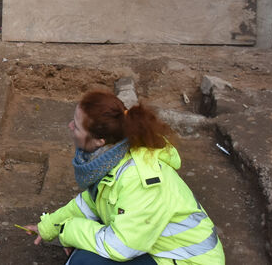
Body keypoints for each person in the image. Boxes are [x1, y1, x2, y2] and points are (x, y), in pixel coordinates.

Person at [22, 92, 225, 265]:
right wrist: (49, 227)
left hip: (187, 260)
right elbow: (90, 203)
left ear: (99, 141)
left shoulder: (140, 180)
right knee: (85, 253)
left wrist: (68, 230)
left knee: (84, 261)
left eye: (76, 126)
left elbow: (120, 246)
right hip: (160, 249)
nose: (70, 126)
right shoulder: (114, 159)